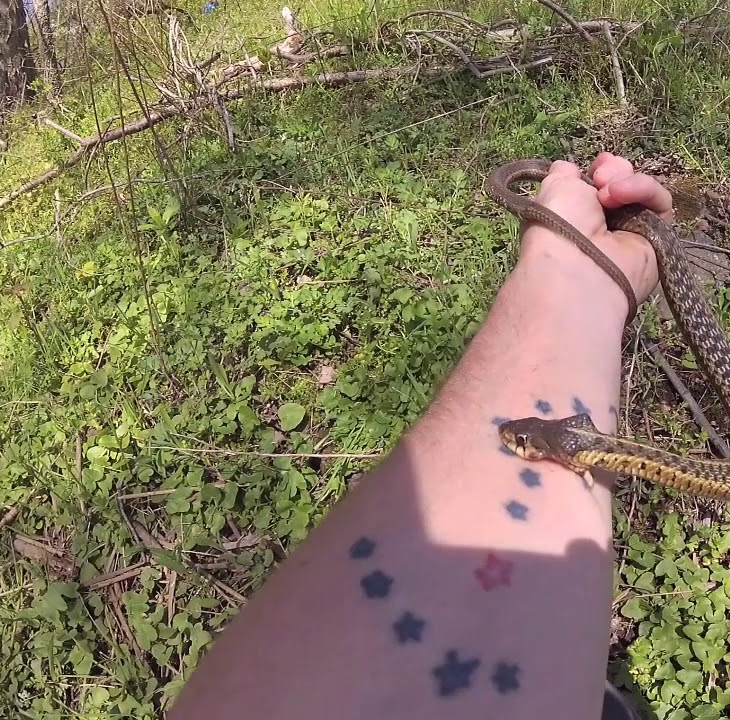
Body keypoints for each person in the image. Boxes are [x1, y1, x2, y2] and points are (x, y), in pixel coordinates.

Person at [171, 152, 673, 720]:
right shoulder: (585, 444)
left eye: (525, 448)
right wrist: (583, 279)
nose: (518, 450)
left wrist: (577, 274)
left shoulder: (585, 450)